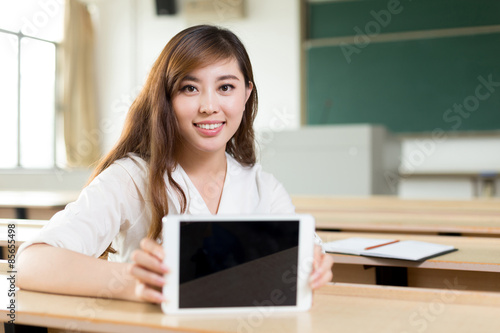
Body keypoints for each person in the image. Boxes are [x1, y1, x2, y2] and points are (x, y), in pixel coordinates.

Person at [17, 25, 334, 303]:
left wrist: (313, 265)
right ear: (166, 98)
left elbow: (304, 259)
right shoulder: (131, 179)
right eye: (189, 88)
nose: (209, 106)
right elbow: (30, 263)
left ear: (246, 94)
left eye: (225, 87)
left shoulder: (263, 188)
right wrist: (134, 283)